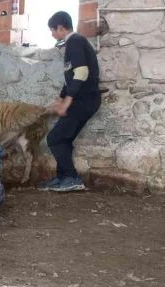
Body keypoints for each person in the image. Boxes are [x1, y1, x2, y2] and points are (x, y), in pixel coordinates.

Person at [39, 10, 101, 192]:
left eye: (53, 30)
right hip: (87, 100)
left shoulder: (74, 41)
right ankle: (64, 177)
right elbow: (72, 78)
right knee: (63, 139)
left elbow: (81, 73)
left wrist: (67, 102)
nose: (52, 34)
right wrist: (60, 98)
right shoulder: (75, 44)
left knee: (54, 138)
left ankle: (70, 178)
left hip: (84, 101)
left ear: (61, 27)